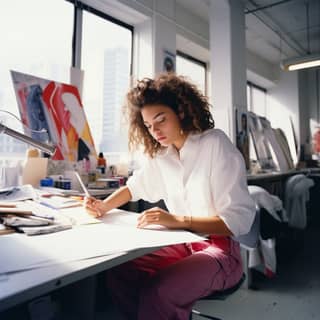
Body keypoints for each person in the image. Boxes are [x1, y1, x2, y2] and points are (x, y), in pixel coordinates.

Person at [85, 73, 255, 320]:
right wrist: (103, 206)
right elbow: (134, 187)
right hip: (182, 244)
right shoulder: (163, 156)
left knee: (160, 291)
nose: (155, 131)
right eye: (148, 126)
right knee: (120, 271)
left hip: (220, 251)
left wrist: (177, 220)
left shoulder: (215, 144)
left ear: (182, 112)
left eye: (161, 120)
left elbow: (235, 221)